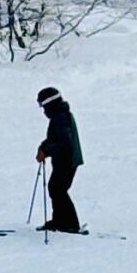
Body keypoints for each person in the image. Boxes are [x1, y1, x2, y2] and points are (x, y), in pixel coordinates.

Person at [34, 86, 83, 233]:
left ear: (50, 104)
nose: (43, 110)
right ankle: (60, 221)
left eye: (43, 105)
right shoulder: (60, 115)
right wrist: (43, 147)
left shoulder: (61, 117)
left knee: (58, 189)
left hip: (67, 160)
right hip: (65, 159)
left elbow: (64, 143)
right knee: (56, 189)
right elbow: (54, 138)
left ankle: (70, 224)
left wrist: (46, 150)